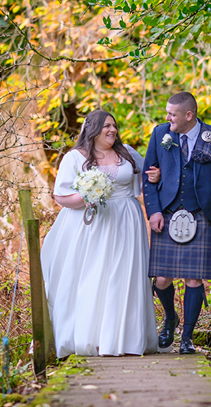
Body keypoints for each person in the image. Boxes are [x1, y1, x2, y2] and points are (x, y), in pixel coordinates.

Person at [41, 109, 159, 357]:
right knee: (96, 277)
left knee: (126, 277)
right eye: (106, 126)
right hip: (94, 225)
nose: (112, 130)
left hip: (127, 222)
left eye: (114, 126)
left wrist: (155, 175)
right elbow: (60, 196)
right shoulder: (75, 157)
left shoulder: (126, 153)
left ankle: (126, 339)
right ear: (92, 129)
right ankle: (93, 338)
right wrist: (88, 196)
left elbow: (148, 176)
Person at [142, 92, 211, 354]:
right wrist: (153, 211)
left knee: (193, 279)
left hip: (201, 213)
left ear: (189, 115)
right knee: (163, 278)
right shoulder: (160, 134)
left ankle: (187, 338)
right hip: (167, 214)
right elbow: (147, 176)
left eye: (172, 114)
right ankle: (170, 319)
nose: (168, 118)